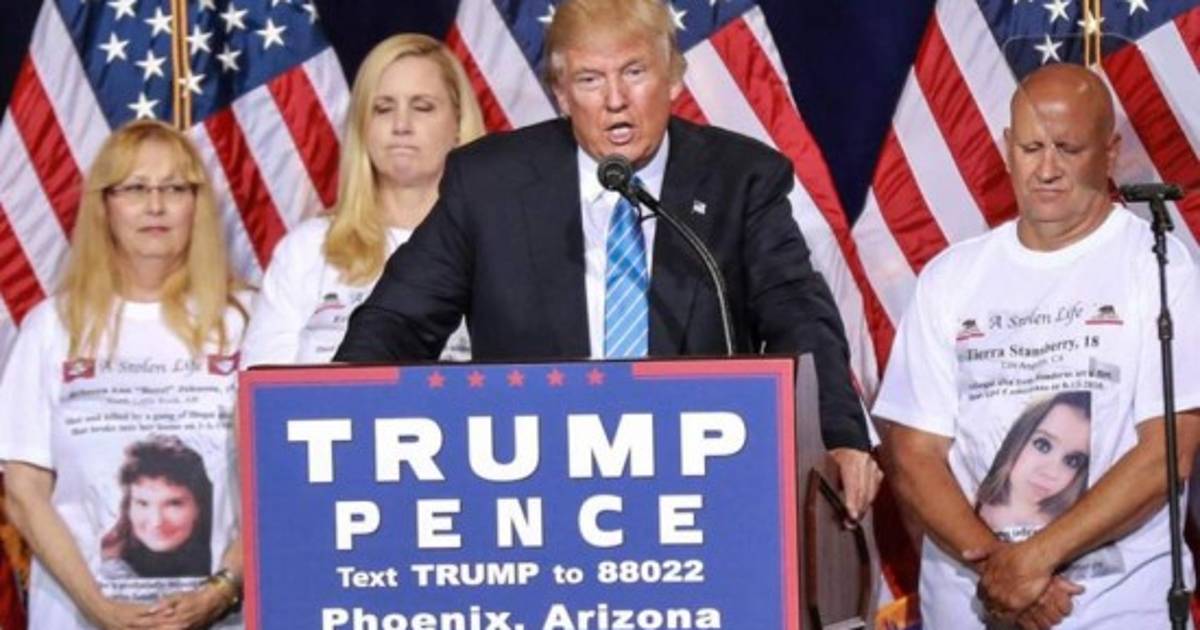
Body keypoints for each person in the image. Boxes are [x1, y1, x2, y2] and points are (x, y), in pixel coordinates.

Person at [334, 0, 881, 519]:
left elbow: (797, 314)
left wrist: (838, 436)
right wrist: (335, 413)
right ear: (561, 94)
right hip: (534, 487)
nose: (615, 99)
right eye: (590, 80)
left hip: (701, 482)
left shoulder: (739, 179)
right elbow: (398, 320)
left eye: (634, 72)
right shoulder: (490, 184)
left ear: (673, 77)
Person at [875, 62, 1200, 629]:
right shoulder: (951, 277)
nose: (1046, 169)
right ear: (1007, 148)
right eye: (1031, 148)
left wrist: (1033, 561)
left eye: (1068, 149)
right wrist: (1001, 570)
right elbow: (913, 453)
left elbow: (1166, 454)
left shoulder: (1157, 265)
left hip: (1114, 610)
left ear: (1110, 152)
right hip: (974, 607)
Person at [0, 119, 248, 629]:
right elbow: (24, 491)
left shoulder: (246, 322)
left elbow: (282, 479)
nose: (155, 206)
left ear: (197, 205)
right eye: (135, 188)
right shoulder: (52, 327)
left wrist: (221, 591)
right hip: (79, 616)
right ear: (104, 206)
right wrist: (101, 609)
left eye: (174, 188)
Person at [241, 33, 483, 366]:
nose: (401, 125)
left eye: (422, 107)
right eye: (383, 108)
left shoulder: (494, 251)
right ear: (362, 127)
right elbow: (264, 390)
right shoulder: (307, 250)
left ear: (458, 122)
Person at [976, 392, 1091, 536]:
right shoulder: (969, 498)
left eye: (1072, 461)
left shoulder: (1071, 526)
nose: (1051, 473)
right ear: (1018, 437)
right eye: (1042, 445)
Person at [101, 436, 213, 579]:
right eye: (142, 503)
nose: (156, 521)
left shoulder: (225, 560)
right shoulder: (107, 568)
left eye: (173, 503)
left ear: (200, 507)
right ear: (127, 507)